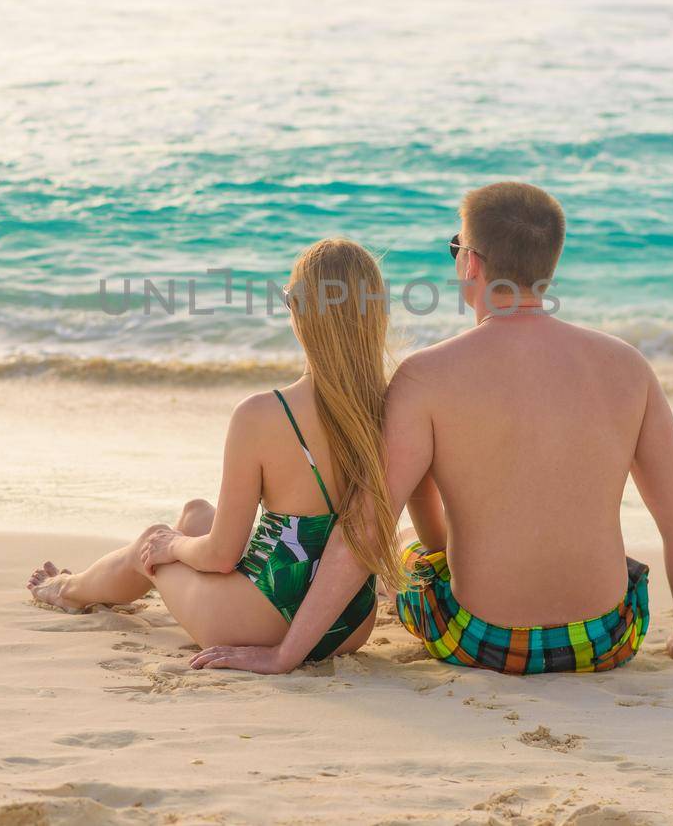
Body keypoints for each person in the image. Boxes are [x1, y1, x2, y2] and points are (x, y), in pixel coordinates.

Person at [191, 182, 673, 674]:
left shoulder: (427, 376)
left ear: (471, 263)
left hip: (481, 638)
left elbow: (364, 526)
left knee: (408, 550)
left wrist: (287, 655)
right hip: (605, 637)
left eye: (456, 248)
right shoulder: (627, 366)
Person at [26, 238, 404, 663]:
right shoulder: (395, 406)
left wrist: (171, 547)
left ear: (300, 312)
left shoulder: (264, 413)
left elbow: (222, 555)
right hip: (350, 622)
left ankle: (67, 590)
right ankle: (98, 580)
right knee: (194, 514)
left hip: (261, 618)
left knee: (152, 541)